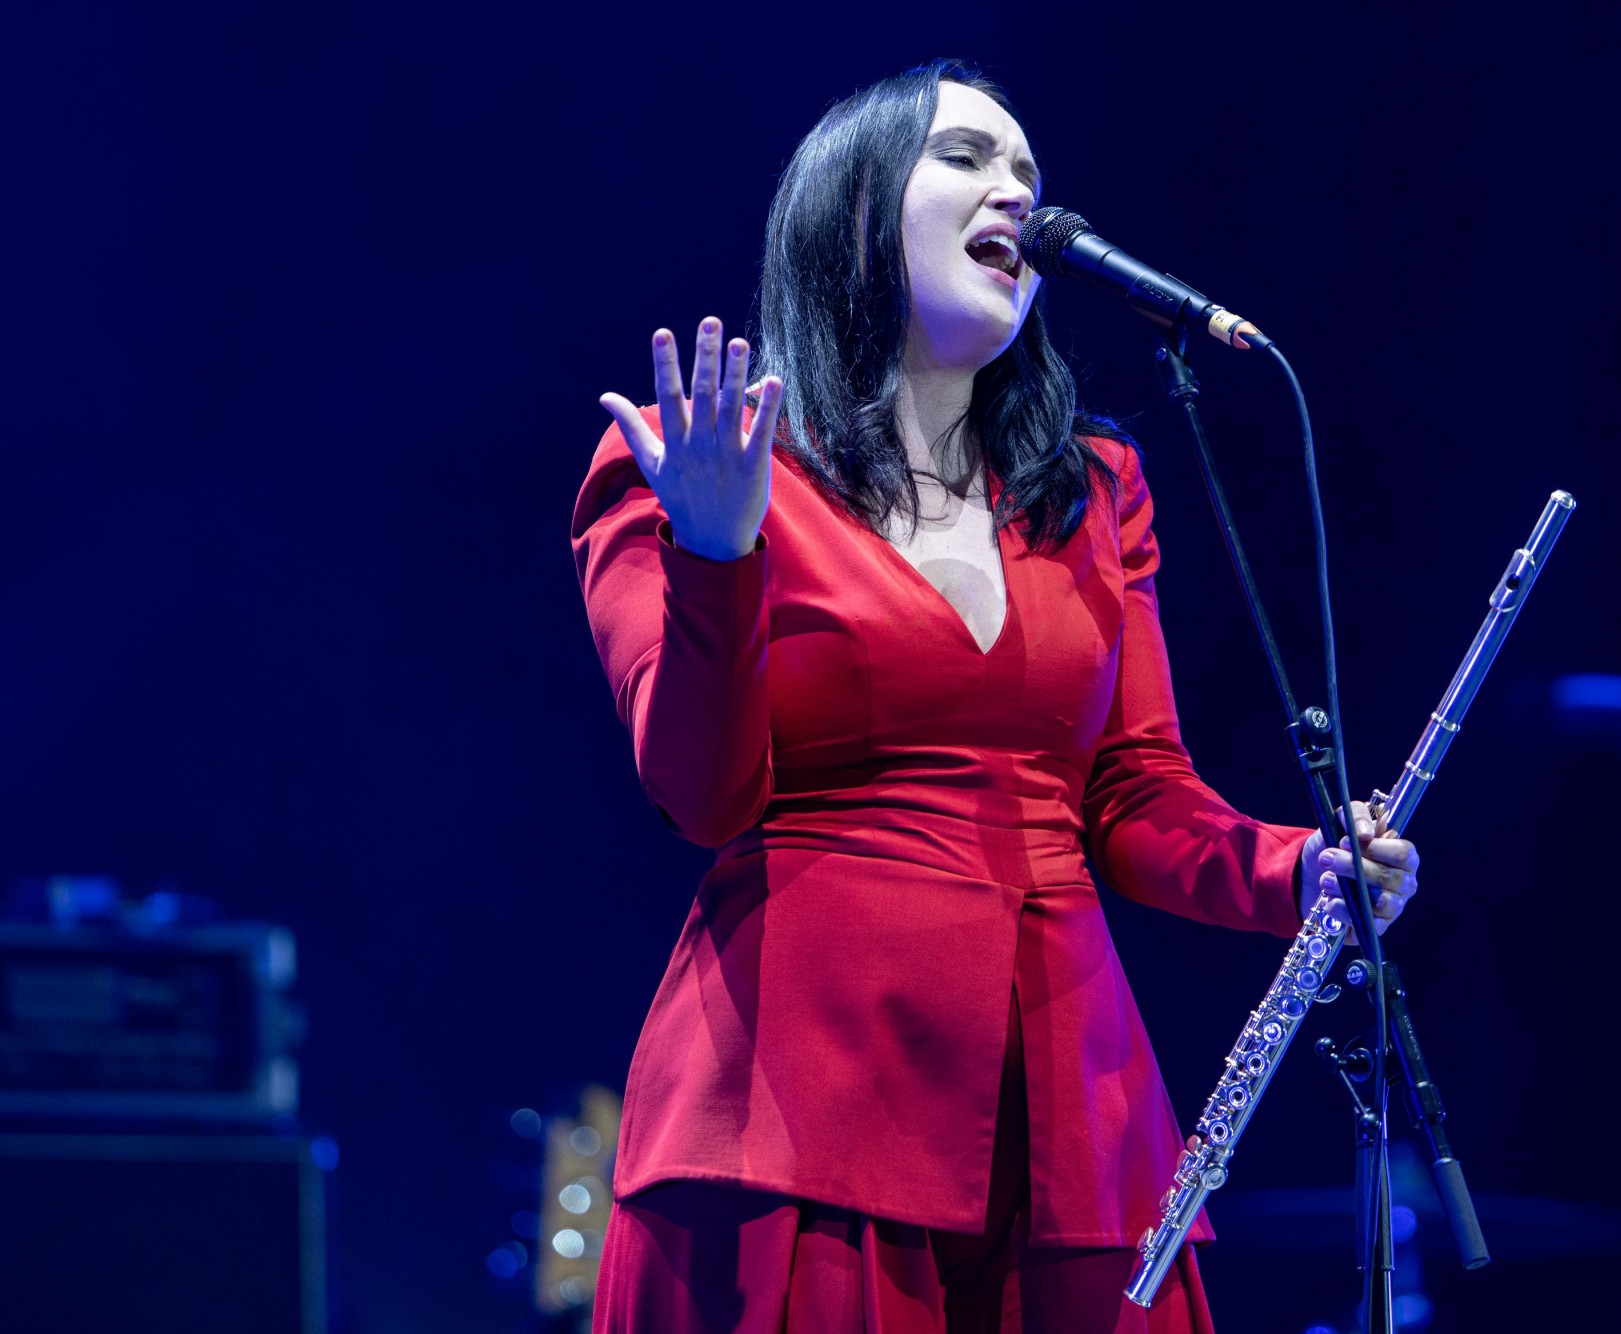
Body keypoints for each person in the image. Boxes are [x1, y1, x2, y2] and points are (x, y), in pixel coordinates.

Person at [572, 59, 1421, 1333]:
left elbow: (1134, 791)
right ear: (856, 211)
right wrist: (714, 555)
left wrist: (1295, 870)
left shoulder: (1092, 487)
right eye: (966, 158)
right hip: (802, 1097)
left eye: (1029, 172)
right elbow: (699, 795)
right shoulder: (695, 461)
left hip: (1070, 1103)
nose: (1015, 193)